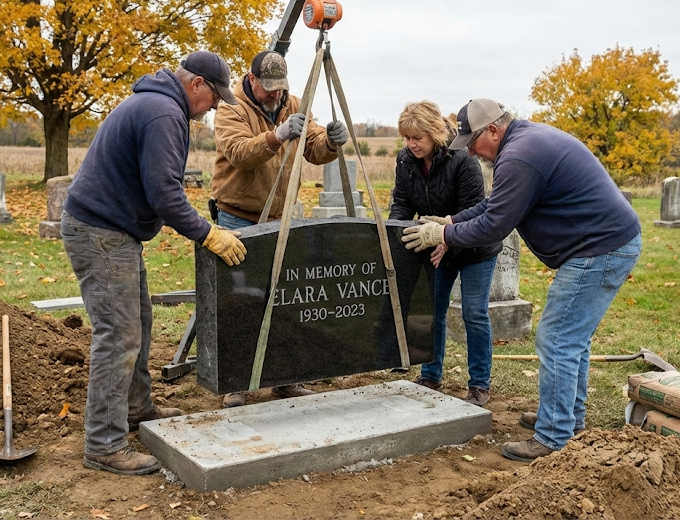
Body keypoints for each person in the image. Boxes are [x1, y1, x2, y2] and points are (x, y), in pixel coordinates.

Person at [402, 98, 641, 462]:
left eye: (474, 143)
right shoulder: (524, 142)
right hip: (604, 243)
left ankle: (554, 437)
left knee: (557, 338)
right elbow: (493, 205)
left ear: (493, 131)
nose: (473, 153)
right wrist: (450, 221)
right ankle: (566, 420)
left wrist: (443, 237)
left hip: (600, 248)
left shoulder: (519, 155)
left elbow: (497, 224)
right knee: (571, 339)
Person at [61, 51, 247, 476]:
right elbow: (165, 192)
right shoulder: (163, 113)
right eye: (214, 96)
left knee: (138, 321)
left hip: (114, 230)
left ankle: (135, 409)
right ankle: (103, 446)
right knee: (120, 334)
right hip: (101, 231)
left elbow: (158, 187)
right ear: (195, 84)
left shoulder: (158, 105)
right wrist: (208, 233)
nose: (216, 106)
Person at [211, 49, 350, 408]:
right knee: (240, 301)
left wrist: (331, 141)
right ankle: (237, 381)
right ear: (252, 79)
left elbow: (314, 147)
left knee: (286, 298)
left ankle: (285, 378)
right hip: (238, 216)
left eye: (280, 89)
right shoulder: (231, 108)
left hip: (281, 217)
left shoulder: (293, 102)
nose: (276, 95)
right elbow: (240, 152)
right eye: (268, 88)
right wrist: (277, 135)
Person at [389, 101, 502, 407]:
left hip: (474, 247)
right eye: (407, 138)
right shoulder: (406, 161)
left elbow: (474, 212)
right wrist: (394, 231)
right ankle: (430, 375)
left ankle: (479, 384)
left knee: (474, 313)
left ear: (434, 134)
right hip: (434, 245)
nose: (411, 145)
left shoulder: (462, 160)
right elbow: (402, 202)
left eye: (418, 138)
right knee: (433, 309)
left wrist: (448, 239)